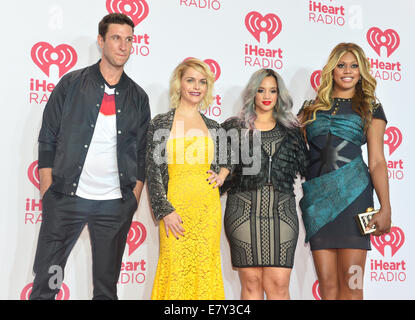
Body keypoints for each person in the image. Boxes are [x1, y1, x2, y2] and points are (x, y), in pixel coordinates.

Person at [29, 13, 151, 300]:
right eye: (116, 38)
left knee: (106, 290)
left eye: (129, 39)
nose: (123, 46)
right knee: (48, 282)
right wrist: (49, 191)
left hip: (113, 206)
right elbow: (48, 137)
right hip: (66, 200)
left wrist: (132, 197)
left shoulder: (138, 97)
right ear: (101, 41)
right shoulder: (71, 84)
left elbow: (144, 153)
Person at [298, 42, 392, 300]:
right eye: (341, 65)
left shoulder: (370, 108)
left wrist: (385, 207)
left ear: (362, 72)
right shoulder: (310, 108)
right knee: (327, 290)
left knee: (352, 287)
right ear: (332, 70)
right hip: (318, 203)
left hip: (355, 202)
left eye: (354, 66)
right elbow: (296, 153)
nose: (347, 71)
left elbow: (377, 162)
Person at [146, 58, 231, 299]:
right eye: (190, 80)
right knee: (174, 268)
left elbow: (229, 157)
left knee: (205, 269)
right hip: (175, 210)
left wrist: (223, 173)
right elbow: (153, 172)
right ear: (179, 84)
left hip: (208, 211)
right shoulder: (160, 123)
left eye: (202, 82)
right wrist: (165, 211)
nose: (196, 86)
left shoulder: (213, 126)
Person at [221, 69, 308, 300]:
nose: (266, 95)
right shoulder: (234, 127)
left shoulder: (292, 131)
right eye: (261, 90)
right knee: (251, 283)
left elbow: (308, 169)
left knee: (279, 284)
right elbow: (218, 171)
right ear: (252, 93)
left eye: (272, 90)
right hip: (242, 211)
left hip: (282, 211)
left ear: (280, 94)